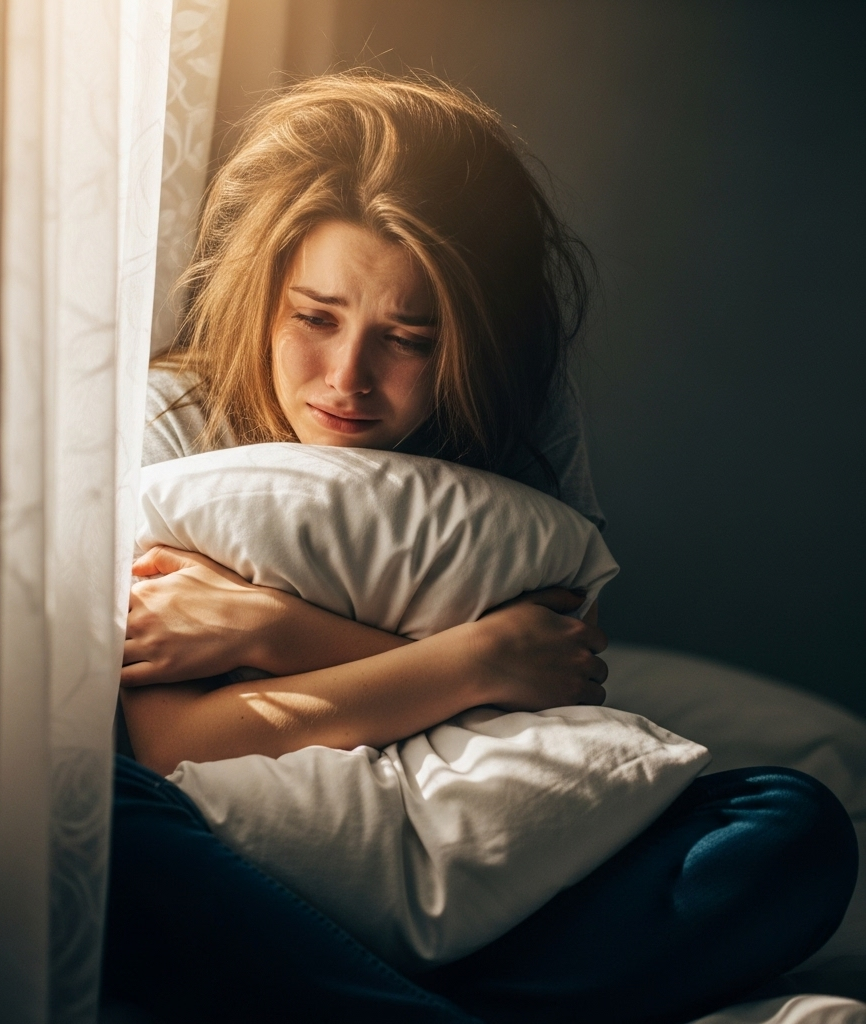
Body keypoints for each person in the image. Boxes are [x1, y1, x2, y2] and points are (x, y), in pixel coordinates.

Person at [102, 73, 856, 1023]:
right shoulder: (173, 424)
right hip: (246, 858)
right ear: (265, 292)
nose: (348, 380)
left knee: (788, 830)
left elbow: (556, 688)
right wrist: (478, 657)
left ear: (469, 341)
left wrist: (277, 630)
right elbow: (179, 745)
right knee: (99, 827)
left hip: (478, 844)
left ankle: (351, 996)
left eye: (408, 339)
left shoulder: (514, 423)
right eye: (315, 318)